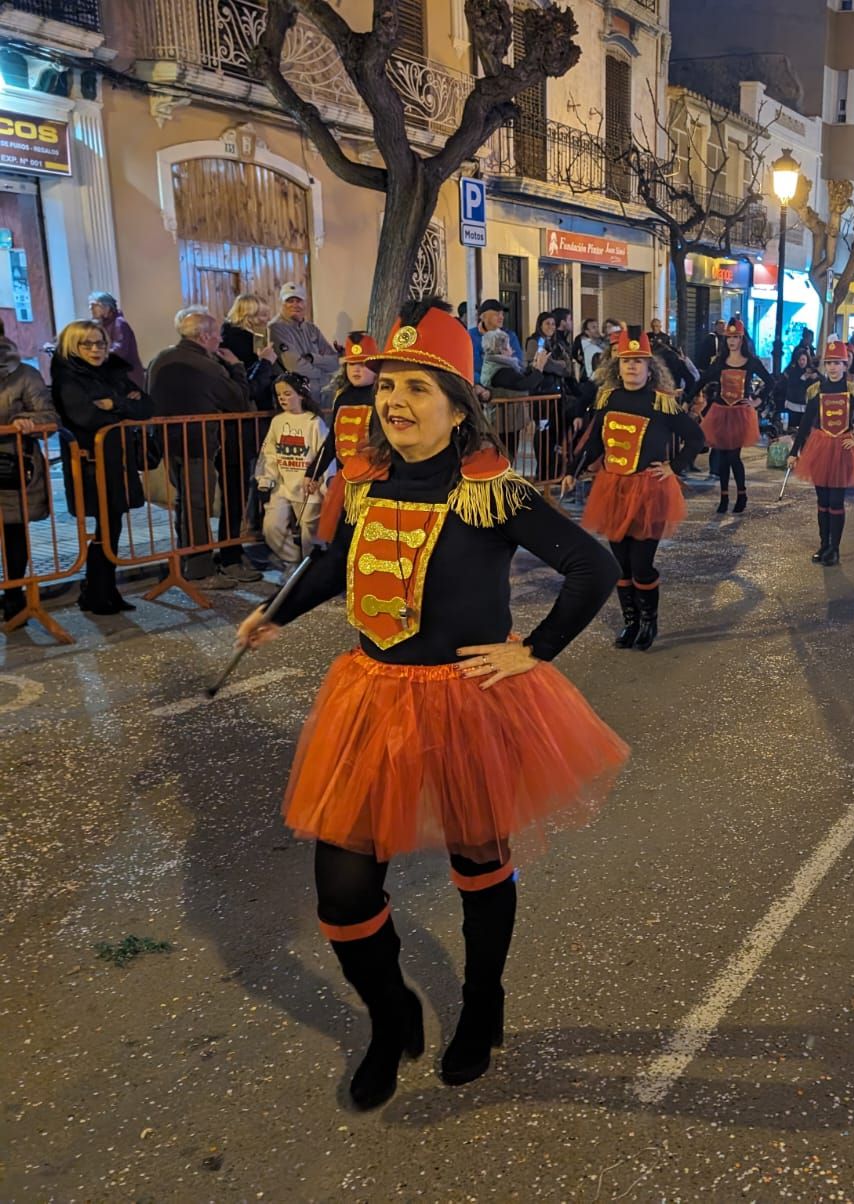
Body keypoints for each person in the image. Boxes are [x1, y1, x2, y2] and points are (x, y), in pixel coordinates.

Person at [234, 297, 627, 1108]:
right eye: (388, 385)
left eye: (418, 385)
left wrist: (532, 653)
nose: (395, 400)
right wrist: (276, 613)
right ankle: (390, 1015)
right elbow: (334, 559)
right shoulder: (367, 480)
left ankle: (482, 1004)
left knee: (478, 868)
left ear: (458, 406)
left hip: (464, 705)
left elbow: (594, 567)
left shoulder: (493, 492)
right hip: (371, 699)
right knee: (343, 894)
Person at [564, 325, 705, 651]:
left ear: (649, 366)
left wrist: (673, 467)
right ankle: (630, 622)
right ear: (617, 365)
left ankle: (648, 623)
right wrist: (573, 470)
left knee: (642, 565)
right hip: (612, 489)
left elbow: (696, 437)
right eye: (626, 361)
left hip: (649, 493)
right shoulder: (608, 398)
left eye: (638, 361)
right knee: (621, 566)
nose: (632, 367)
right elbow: (595, 442)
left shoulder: (661, 403)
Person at [146, 307, 261, 589]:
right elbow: (237, 400)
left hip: (167, 442)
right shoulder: (206, 366)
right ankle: (200, 571)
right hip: (197, 444)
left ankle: (187, 561)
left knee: (183, 503)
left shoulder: (160, 358)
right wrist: (236, 367)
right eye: (217, 335)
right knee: (198, 504)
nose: (220, 341)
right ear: (205, 335)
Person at [51, 320, 151, 615]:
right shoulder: (68, 377)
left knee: (113, 526)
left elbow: (146, 407)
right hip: (90, 464)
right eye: (88, 344)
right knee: (102, 528)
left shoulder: (112, 372)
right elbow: (86, 417)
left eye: (101, 343)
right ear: (73, 346)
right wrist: (122, 407)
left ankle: (104, 589)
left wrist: (114, 404)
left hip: (116, 461)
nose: (96, 350)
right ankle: (96, 590)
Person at [788, 337, 854, 565]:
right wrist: (794, 451)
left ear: (845, 364)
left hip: (841, 449)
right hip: (819, 448)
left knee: (836, 501)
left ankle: (835, 548)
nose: (832, 367)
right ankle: (823, 545)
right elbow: (805, 424)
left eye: (837, 362)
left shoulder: (853, 390)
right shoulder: (816, 391)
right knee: (822, 501)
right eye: (829, 363)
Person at [683, 317, 770, 513]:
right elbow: (701, 380)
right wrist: (687, 399)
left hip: (740, 414)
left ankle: (741, 494)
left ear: (742, 339)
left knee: (733, 456)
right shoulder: (720, 362)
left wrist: (757, 401)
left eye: (736, 337)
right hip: (721, 413)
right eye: (729, 337)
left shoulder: (751, 362)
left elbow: (772, 382)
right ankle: (724, 498)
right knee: (722, 457)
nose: (732, 341)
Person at [0, 337, 59, 623]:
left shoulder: (24, 374)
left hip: (11, 465)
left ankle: (14, 596)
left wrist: (25, 421)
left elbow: (49, 415)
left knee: (13, 531)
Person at [256, 373, 327, 565]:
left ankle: (309, 570)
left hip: (307, 487)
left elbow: (324, 454)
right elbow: (270, 452)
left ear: (301, 394)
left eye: (287, 393)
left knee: (310, 535)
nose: (282, 398)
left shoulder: (314, 423)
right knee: (271, 527)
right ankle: (293, 561)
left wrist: (323, 485)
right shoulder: (277, 421)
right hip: (283, 485)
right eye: (279, 395)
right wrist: (266, 478)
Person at [306, 333, 379, 512]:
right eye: (352, 364)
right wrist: (313, 472)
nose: (356, 370)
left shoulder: (381, 396)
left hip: (375, 480)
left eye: (362, 364)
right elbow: (332, 440)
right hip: (345, 478)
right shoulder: (342, 397)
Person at [268, 283, 339, 402]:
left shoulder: (311, 328)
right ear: (282, 304)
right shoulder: (275, 328)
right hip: (296, 398)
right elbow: (294, 366)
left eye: (299, 300)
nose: (295, 305)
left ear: (305, 304)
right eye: (290, 301)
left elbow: (334, 362)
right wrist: (323, 374)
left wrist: (313, 358)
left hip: (321, 395)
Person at [221, 294, 284, 408]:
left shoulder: (258, 334)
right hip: (249, 400)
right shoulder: (235, 340)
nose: (269, 319)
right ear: (249, 316)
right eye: (264, 315)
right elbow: (252, 372)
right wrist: (265, 360)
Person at [88, 291, 144, 388]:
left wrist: (96, 354)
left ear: (107, 307)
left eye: (94, 305)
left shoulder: (120, 324)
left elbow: (119, 351)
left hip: (127, 379)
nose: (91, 309)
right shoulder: (103, 325)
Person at [469, 299, 524, 383]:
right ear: (483, 316)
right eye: (497, 314)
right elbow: (474, 366)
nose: (501, 317)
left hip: (507, 383)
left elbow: (518, 363)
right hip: (480, 384)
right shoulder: (471, 336)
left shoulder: (509, 335)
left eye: (502, 314)